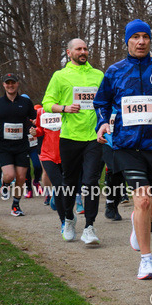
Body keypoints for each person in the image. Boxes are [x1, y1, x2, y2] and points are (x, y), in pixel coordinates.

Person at [94, 19, 152, 280]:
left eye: (145, 37)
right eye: (136, 37)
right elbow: (101, 102)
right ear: (127, 40)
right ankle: (146, 260)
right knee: (142, 200)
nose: (141, 41)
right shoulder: (114, 71)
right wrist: (102, 124)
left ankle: (139, 222)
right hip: (127, 146)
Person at [43, 38, 105, 245]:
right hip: (69, 137)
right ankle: (69, 219)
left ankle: (89, 227)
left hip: (94, 138)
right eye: (78, 48)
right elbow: (47, 102)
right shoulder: (60, 76)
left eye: (85, 48)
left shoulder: (98, 75)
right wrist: (64, 108)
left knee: (91, 182)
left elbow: (106, 101)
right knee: (69, 182)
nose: (83, 51)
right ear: (69, 53)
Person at [0, 73, 37, 216]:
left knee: (21, 178)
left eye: (13, 83)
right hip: (4, 145)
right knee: (9, 175)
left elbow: (33, 119)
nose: (10, 85)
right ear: (3, 85)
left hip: (22, 145)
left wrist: (33, 128)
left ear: (17, 84)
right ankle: (5, 183)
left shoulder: (26, 102)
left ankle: (16, 205)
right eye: (7, 83)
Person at [34, 102, 68, 230]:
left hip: (66, 154)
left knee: (67, 187)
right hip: (48, 154)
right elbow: (39, 129)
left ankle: (61, 205)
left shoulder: (68, 108)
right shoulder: (41, 111)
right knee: (59, 186)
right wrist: (34, 131)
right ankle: (64, 221)